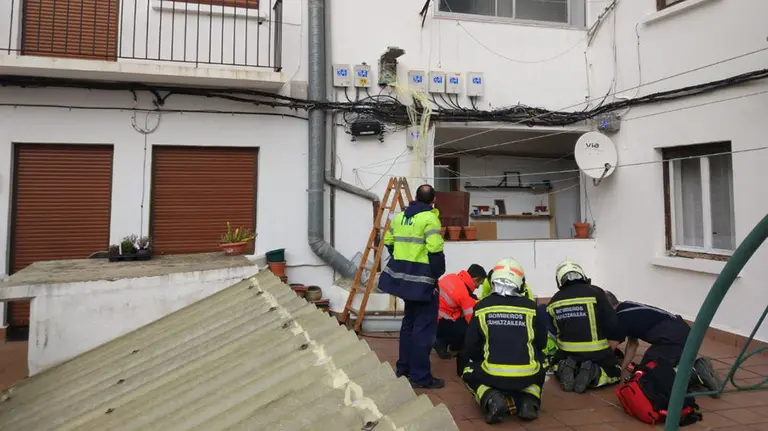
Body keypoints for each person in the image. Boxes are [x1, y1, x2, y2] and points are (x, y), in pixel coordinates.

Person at [458, 258, 548, 424]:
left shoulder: (481, 307)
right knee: (543, 363)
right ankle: (530, 399)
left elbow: (471, 346)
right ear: (520, 282)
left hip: (492, 375)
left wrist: (483, 358)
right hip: (526, 376)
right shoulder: (531, 308)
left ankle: (491, 397)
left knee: (467, 370)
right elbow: (542, 343)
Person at [379, 184, 446, 389]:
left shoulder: (399, 217)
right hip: (423, 281)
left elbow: (389, 241)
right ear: (433, 200)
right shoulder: (430, 218)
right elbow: (435, 249)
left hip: (404, 281)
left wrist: (401, 259)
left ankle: (404, 369)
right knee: (423, 329)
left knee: (408, 324)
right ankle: (421, 376)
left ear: (416, 197)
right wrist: (436, 274)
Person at [603, 291, 723, 395]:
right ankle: (687, 370)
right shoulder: (627, 306)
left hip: (671, 339)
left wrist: (605, 369)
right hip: (681, 331)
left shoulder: (619, 319)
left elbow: (610, 348)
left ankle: (696, 373)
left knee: (648, 375)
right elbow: (632, 345)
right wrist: (621, 370)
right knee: (649, 367)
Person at [547, 259, 622, 394]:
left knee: (556, 364)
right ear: (581, 274)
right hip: (597, 353)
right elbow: (612, 322)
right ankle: (595, 373)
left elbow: (552, 329)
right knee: (615, 373)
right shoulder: (596, 292)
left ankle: (566, 367)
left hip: (567, 353)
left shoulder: (554, 301)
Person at [434, 264, 487, 359]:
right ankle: (442, 342)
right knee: (466, 329)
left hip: (431, 316)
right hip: (440, 322)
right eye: (480, 284)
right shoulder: (464, 295)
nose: (478, 288)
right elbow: (472, 322)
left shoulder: (451, 276)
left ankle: (449, 342)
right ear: (476, 280)